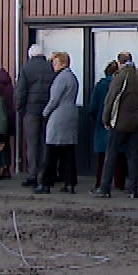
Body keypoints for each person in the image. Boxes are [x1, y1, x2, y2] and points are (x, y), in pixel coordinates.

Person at [97, 57, 138, 197]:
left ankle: (104, 188)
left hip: (118, 123)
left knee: (111, 155)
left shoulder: (120, 78)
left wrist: (106, 119)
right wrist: (137, 116)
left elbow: (110, 100)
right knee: (133, 157)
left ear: (120, 63)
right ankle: (132, 190)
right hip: (134, 123)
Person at [37, 51, 80, 195]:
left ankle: (45, 183)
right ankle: (70, 183)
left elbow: (54, 99)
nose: (53, 65)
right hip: (71, 115)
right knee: (68, 152)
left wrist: (45, 112)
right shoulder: (73, 77)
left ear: (63, 63)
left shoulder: (61, 78)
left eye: (55, 62)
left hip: (58, 117)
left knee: (51, 151)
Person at [15, 45, 55, 180]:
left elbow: (21, 92)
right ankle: (45, 173)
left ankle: (33, 174)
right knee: (45, 143)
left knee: (32, 144)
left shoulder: (26, 69)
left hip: (31, 111)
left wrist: (20, 109)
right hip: (48, 111)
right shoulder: (50, 67)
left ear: (30, 55)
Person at [84, 60, 116, 190]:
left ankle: (99, 182)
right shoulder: (119, 86)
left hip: (101, 124)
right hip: (116, 123)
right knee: (118, 156)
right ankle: (119, 183)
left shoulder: (100, 86)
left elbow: (92, 107)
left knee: (102, 157)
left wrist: (97, 117)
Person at [0, 62, 16, 179]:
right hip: (9, 114)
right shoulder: (7, 81)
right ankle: (6, 167)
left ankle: (0, 168)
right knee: (5, 142)